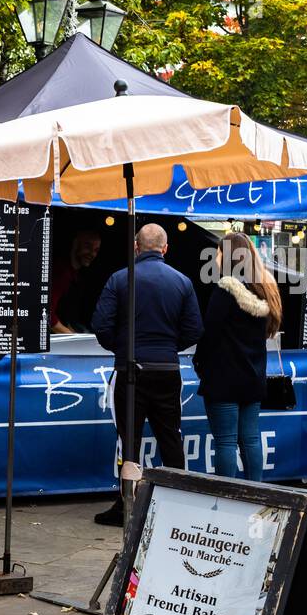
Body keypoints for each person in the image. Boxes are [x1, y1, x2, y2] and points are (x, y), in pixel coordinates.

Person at [91, 223, 204, 526]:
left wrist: (124, 348)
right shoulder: (182, 282)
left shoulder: (119, 279)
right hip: (167, 369)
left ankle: (126, 504)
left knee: (129, 439)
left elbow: (101, 325)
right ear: (165, 249)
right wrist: (167, 348)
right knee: (171, 437)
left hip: (130, 370)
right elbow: (194, 329)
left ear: (136, 247)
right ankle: (178, 503)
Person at [194, 232, 283, 481]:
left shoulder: (225, 290)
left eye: (220, 252)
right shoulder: (266, 290)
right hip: (253, 377)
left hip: (223, 378)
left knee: (225, 442)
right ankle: (256, 490)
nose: (217, 256)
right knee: (251, 439)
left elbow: (209, 333)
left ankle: (227, 496)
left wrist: (199, 363)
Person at [50, 230, 101, 334]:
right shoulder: (61, 272)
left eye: (96, 250)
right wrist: (71, 336)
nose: (92, 253)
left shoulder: (77, 275)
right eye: (88, 246)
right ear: (75, 243)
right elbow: (47, 316)